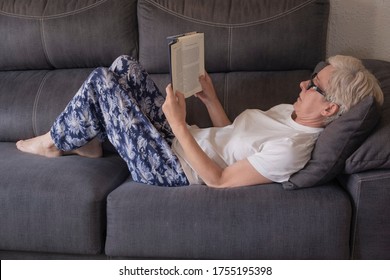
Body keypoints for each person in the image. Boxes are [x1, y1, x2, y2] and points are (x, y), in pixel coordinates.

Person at [16, 55, 384, 188]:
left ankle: (53, 142)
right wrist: (210, 100)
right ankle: (90, 141)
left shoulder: (292, 150)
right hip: (180, 140)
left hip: (171, 168)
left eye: (315, 85)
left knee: (102, 80)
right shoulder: (288, 113)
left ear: (329, 109)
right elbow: (231, 136)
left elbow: (219, 179)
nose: (304, 83)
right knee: (123, 66)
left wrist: (177, 124)